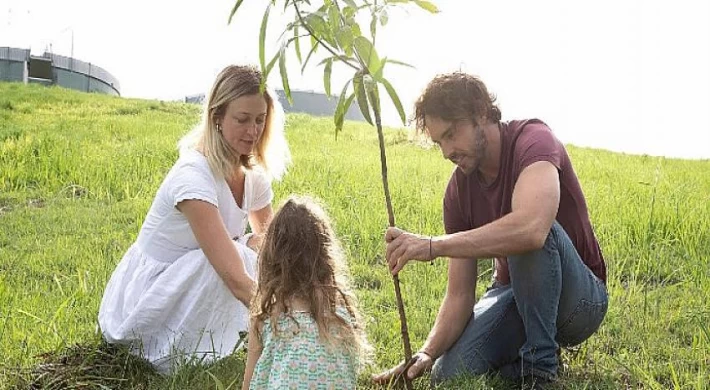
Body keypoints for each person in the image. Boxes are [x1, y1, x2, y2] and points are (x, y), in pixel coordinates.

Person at [372, 72, 608, 388]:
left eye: (452, 134)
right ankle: (529, 355)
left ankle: (540, 372)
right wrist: (427, 354)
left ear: (481, 112)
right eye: (439, 141)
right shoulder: (458, 191)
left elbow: (533, 230)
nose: (447, 152)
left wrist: (433, 245)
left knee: (526, 233)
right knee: (449, 373)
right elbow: (459, 295)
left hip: (579, 303)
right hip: (514, 296)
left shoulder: (534, 140)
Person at [98, 65, 291, 372]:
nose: (253, 131)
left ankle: (230, 339)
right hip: (147, 299)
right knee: (236, 257)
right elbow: (236, 280)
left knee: (263, 247)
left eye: (260, 120)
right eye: (242, 120)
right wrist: (289, 322)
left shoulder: (251, 177)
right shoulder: (193, 176)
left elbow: (275, 251)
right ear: (217, 117)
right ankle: (177, 350)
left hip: (193, 276)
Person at [242, 195, 371, 390]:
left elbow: (249, 385)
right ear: (325, 257)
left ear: (272, 258)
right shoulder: (342, 316)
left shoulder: (267, 318)